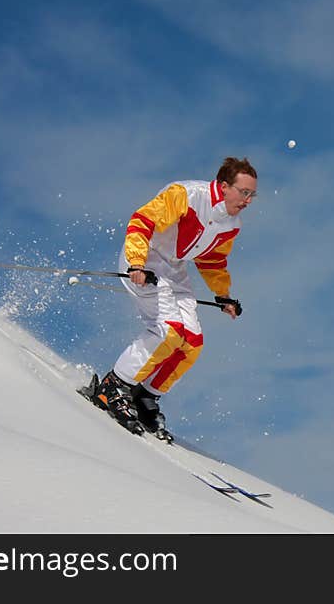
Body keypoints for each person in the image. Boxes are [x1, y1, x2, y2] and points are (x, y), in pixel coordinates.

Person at [92, 157, 258, 440]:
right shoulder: (187, 195)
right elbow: (142, 221)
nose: (248, 200)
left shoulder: (232, 224)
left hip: (174, 270)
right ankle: (112, 386)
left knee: (192, 341)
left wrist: (223, 294)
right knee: (168, 331)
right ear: (224, 186)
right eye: (244, 192)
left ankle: (145, 395)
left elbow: (213, 260)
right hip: (146, 262)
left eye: (252, 195)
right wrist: (136, 263)